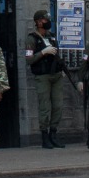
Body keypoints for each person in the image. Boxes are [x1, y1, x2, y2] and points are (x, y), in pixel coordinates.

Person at [25, 9, 66, 149]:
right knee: (44, 107)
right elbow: (29, 59)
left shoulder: (52, 36)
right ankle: (45, 136)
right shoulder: (32, 38)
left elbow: (57, 54)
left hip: (56, 75)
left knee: (58, 105)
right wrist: (43, 52)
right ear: (37, 22)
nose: (47, 22)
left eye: (47, 19)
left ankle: (53, 133)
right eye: (44, 20)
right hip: (42, 76)